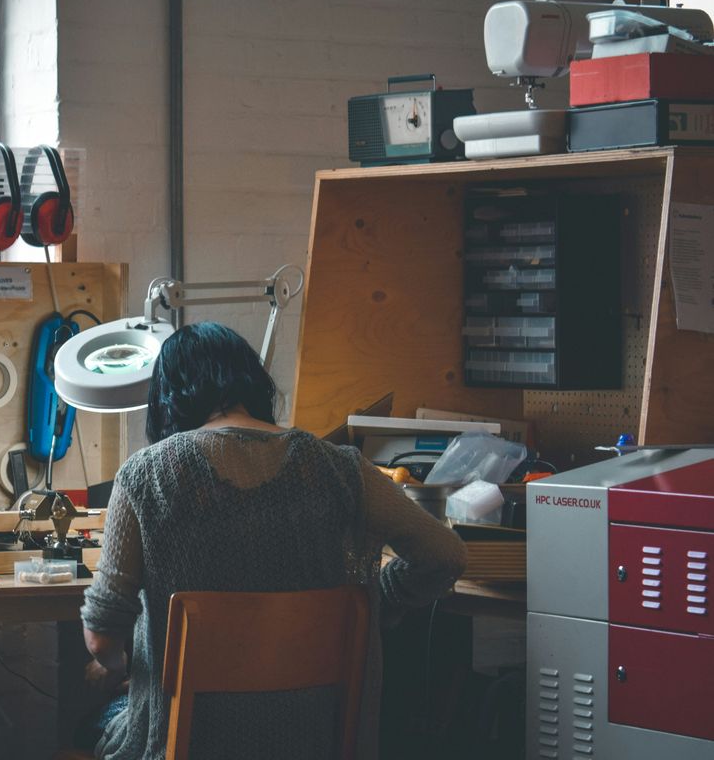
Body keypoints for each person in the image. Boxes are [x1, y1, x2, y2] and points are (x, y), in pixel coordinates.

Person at [78, 321, 467, 759]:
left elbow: (101, 638)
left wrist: (120, 667)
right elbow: (445, 555)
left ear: (168, 398)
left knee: (89, 714)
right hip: (311, 735)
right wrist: (375, 600)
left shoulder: (146, 475)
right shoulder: (341, 468)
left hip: (188, 740)